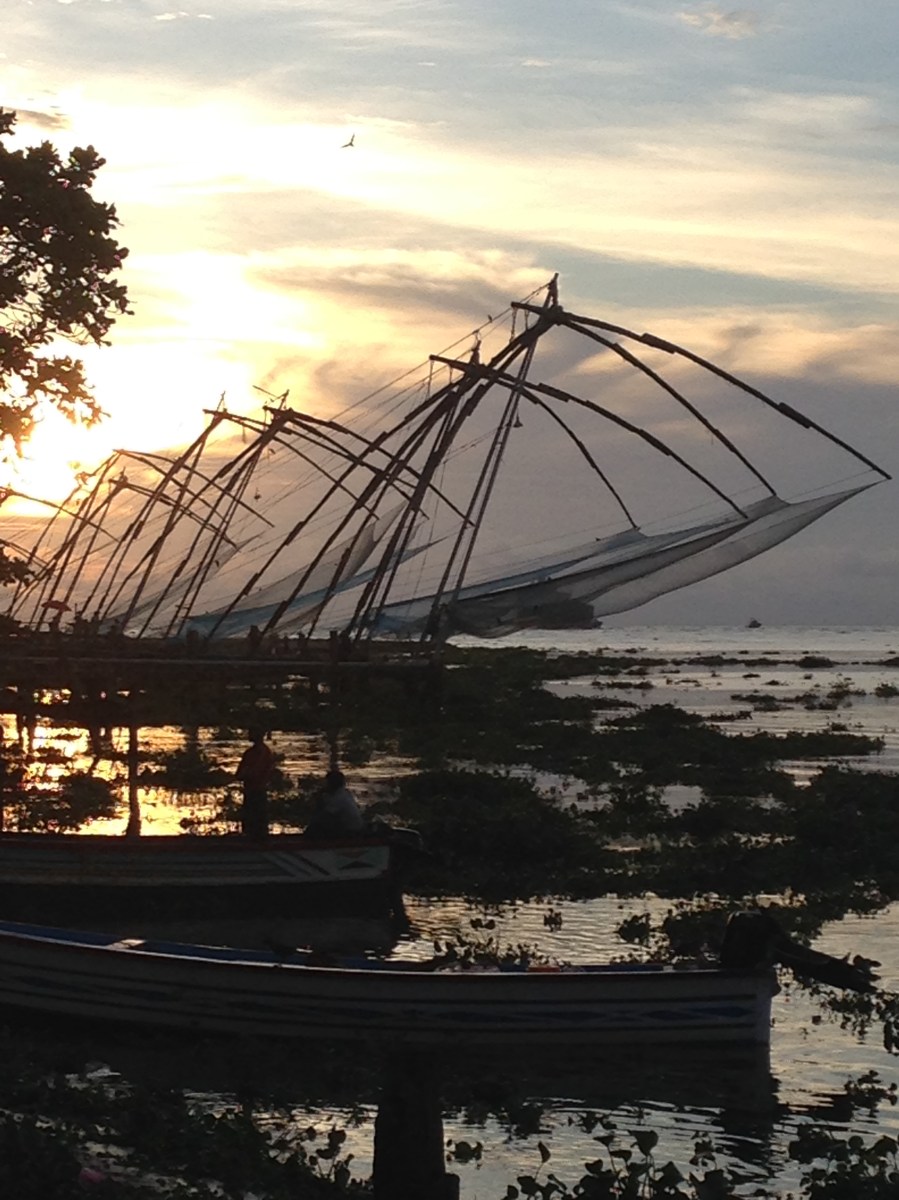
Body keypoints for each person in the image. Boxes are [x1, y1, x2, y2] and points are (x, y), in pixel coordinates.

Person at [235, 727, 276, 838]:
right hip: (254, 790)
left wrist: (244, 774)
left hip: (256, 790)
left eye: (251, 732)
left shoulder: (259, 753)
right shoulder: (257, 752)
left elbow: (248, 772)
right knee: (253, 821)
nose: (248, 734)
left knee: (256, 820)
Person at [304, 768, 365, 840]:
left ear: (331, 783)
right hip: (352, 828)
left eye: (327, 782)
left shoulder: (339, 797)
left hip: (351, 831)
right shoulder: (344, 793)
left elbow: (325, 815)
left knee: (315, 828)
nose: (325, 785)